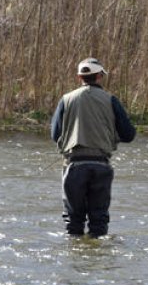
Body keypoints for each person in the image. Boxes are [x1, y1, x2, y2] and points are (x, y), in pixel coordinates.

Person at [50, 57, 136, 238]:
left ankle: (74, 255)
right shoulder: (111, 100)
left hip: (73, 166)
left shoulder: (66, 100)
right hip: (101, 166)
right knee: (99, 220)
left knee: (73, 220)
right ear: (99, 76)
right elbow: (129, 135)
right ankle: (97, 256)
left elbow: (54, 134)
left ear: (79, 77)